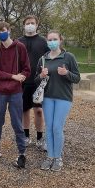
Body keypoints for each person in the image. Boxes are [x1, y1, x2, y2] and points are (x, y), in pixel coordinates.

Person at [35, 30, 80, 172]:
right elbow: (36, 80)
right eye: (49, 39)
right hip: (47, 97)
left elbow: (77, 78)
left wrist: (66, 73)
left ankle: (58, 158)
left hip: (63, 98)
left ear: (60, 40)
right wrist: (41, 75)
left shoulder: (68, 57)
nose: (52, 42)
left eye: (54, 39)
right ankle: (49, 156)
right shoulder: (43, 59)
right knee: (49, 127)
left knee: (56, 127)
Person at [0, 21, 31, 168]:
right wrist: (13, 76)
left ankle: (22, 154)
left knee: (17, 123)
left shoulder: (20, 47)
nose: (2, 33)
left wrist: (22, 76)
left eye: (4, 30)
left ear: (9, 30)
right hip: (0, 92)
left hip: (15, 92)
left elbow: (27, 69)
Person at [18, 15, 49, 149]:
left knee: (38, 110)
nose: (30, 25)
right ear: (24, 25)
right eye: (27, 23)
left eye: (32, 23)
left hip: (38, 81)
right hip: (23, 81)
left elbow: (50, 58)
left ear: (37, 25)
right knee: (24, 110)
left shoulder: (43, 41)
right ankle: (25, 136)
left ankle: (40, 138)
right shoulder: (18, 41)